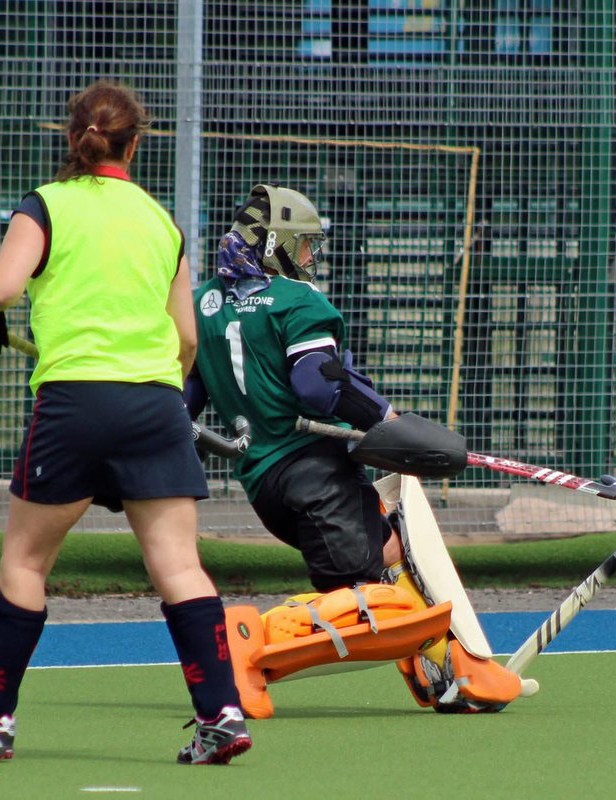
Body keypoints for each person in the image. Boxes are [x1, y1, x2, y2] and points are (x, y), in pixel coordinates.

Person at [0, 80, 251, 764]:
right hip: (156, 404)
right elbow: (187, 340)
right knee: (179, 565)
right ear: (136, 144)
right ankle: (221, 715)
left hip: (75, 403)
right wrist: (161, 391)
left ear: (72, 138)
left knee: (24, 562)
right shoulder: (162, 222)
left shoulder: (46, 204)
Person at [184, 184, 520, 713]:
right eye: (303, 245)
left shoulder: (203, 304)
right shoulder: (298, 301)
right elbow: (317, 387)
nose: (309, 256)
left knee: (391, 552)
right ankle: (243, 645)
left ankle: (449, 667)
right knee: (361, 598)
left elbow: (185, 404)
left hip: (265, 487)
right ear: (273, 245)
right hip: (315, 472)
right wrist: (387, 419)